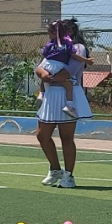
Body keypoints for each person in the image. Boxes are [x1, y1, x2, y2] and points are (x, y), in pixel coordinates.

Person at [35, 21, 82, 189]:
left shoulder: (77, 48)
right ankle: (55, 169)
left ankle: (69, 176)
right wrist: (43, 74)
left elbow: (69, 71)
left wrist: (51, 78)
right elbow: (41, 66)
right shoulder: (53, 46)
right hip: (50, 96)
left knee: (66, 137)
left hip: (67, 95)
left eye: (66, 29)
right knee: (42, 135)